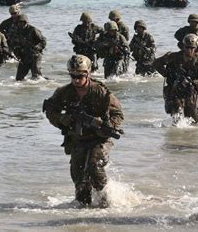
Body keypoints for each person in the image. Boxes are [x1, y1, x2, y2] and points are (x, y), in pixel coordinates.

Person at [43, 55, 124, 207]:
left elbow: (118, 114)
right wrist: (61, 119)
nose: (76, 79)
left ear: (88, 73)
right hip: (77, 139)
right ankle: (83, 209)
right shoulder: (64, 92)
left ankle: (106, 202)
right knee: (79, 177)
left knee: (94, 167)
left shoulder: (101, 92)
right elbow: (50, 109)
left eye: (80, 75)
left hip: (99, 138)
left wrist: (107, 125)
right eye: (72, 75)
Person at [153, 34, 198, 123]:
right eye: (187, 47)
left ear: (196, 48)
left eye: (192, 48)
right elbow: (156, 63)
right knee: (177, 114)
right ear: (183, 46)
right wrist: (167, 73)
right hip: (175, 89)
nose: (189, 50)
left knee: (193, 119)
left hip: (191, 91)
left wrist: (194, 82)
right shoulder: (173, 56)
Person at [9, 14, 46, 81]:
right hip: (24, 56)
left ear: (25, 22)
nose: (20, 24)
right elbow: (13, 44)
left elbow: (43, 41)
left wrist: (38, 47)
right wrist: (16, 52)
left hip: (35, 55)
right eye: (18, 23)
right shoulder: (16, 32)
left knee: (37, 78)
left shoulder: (33, 30)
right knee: (18, 78)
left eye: (22, 22)